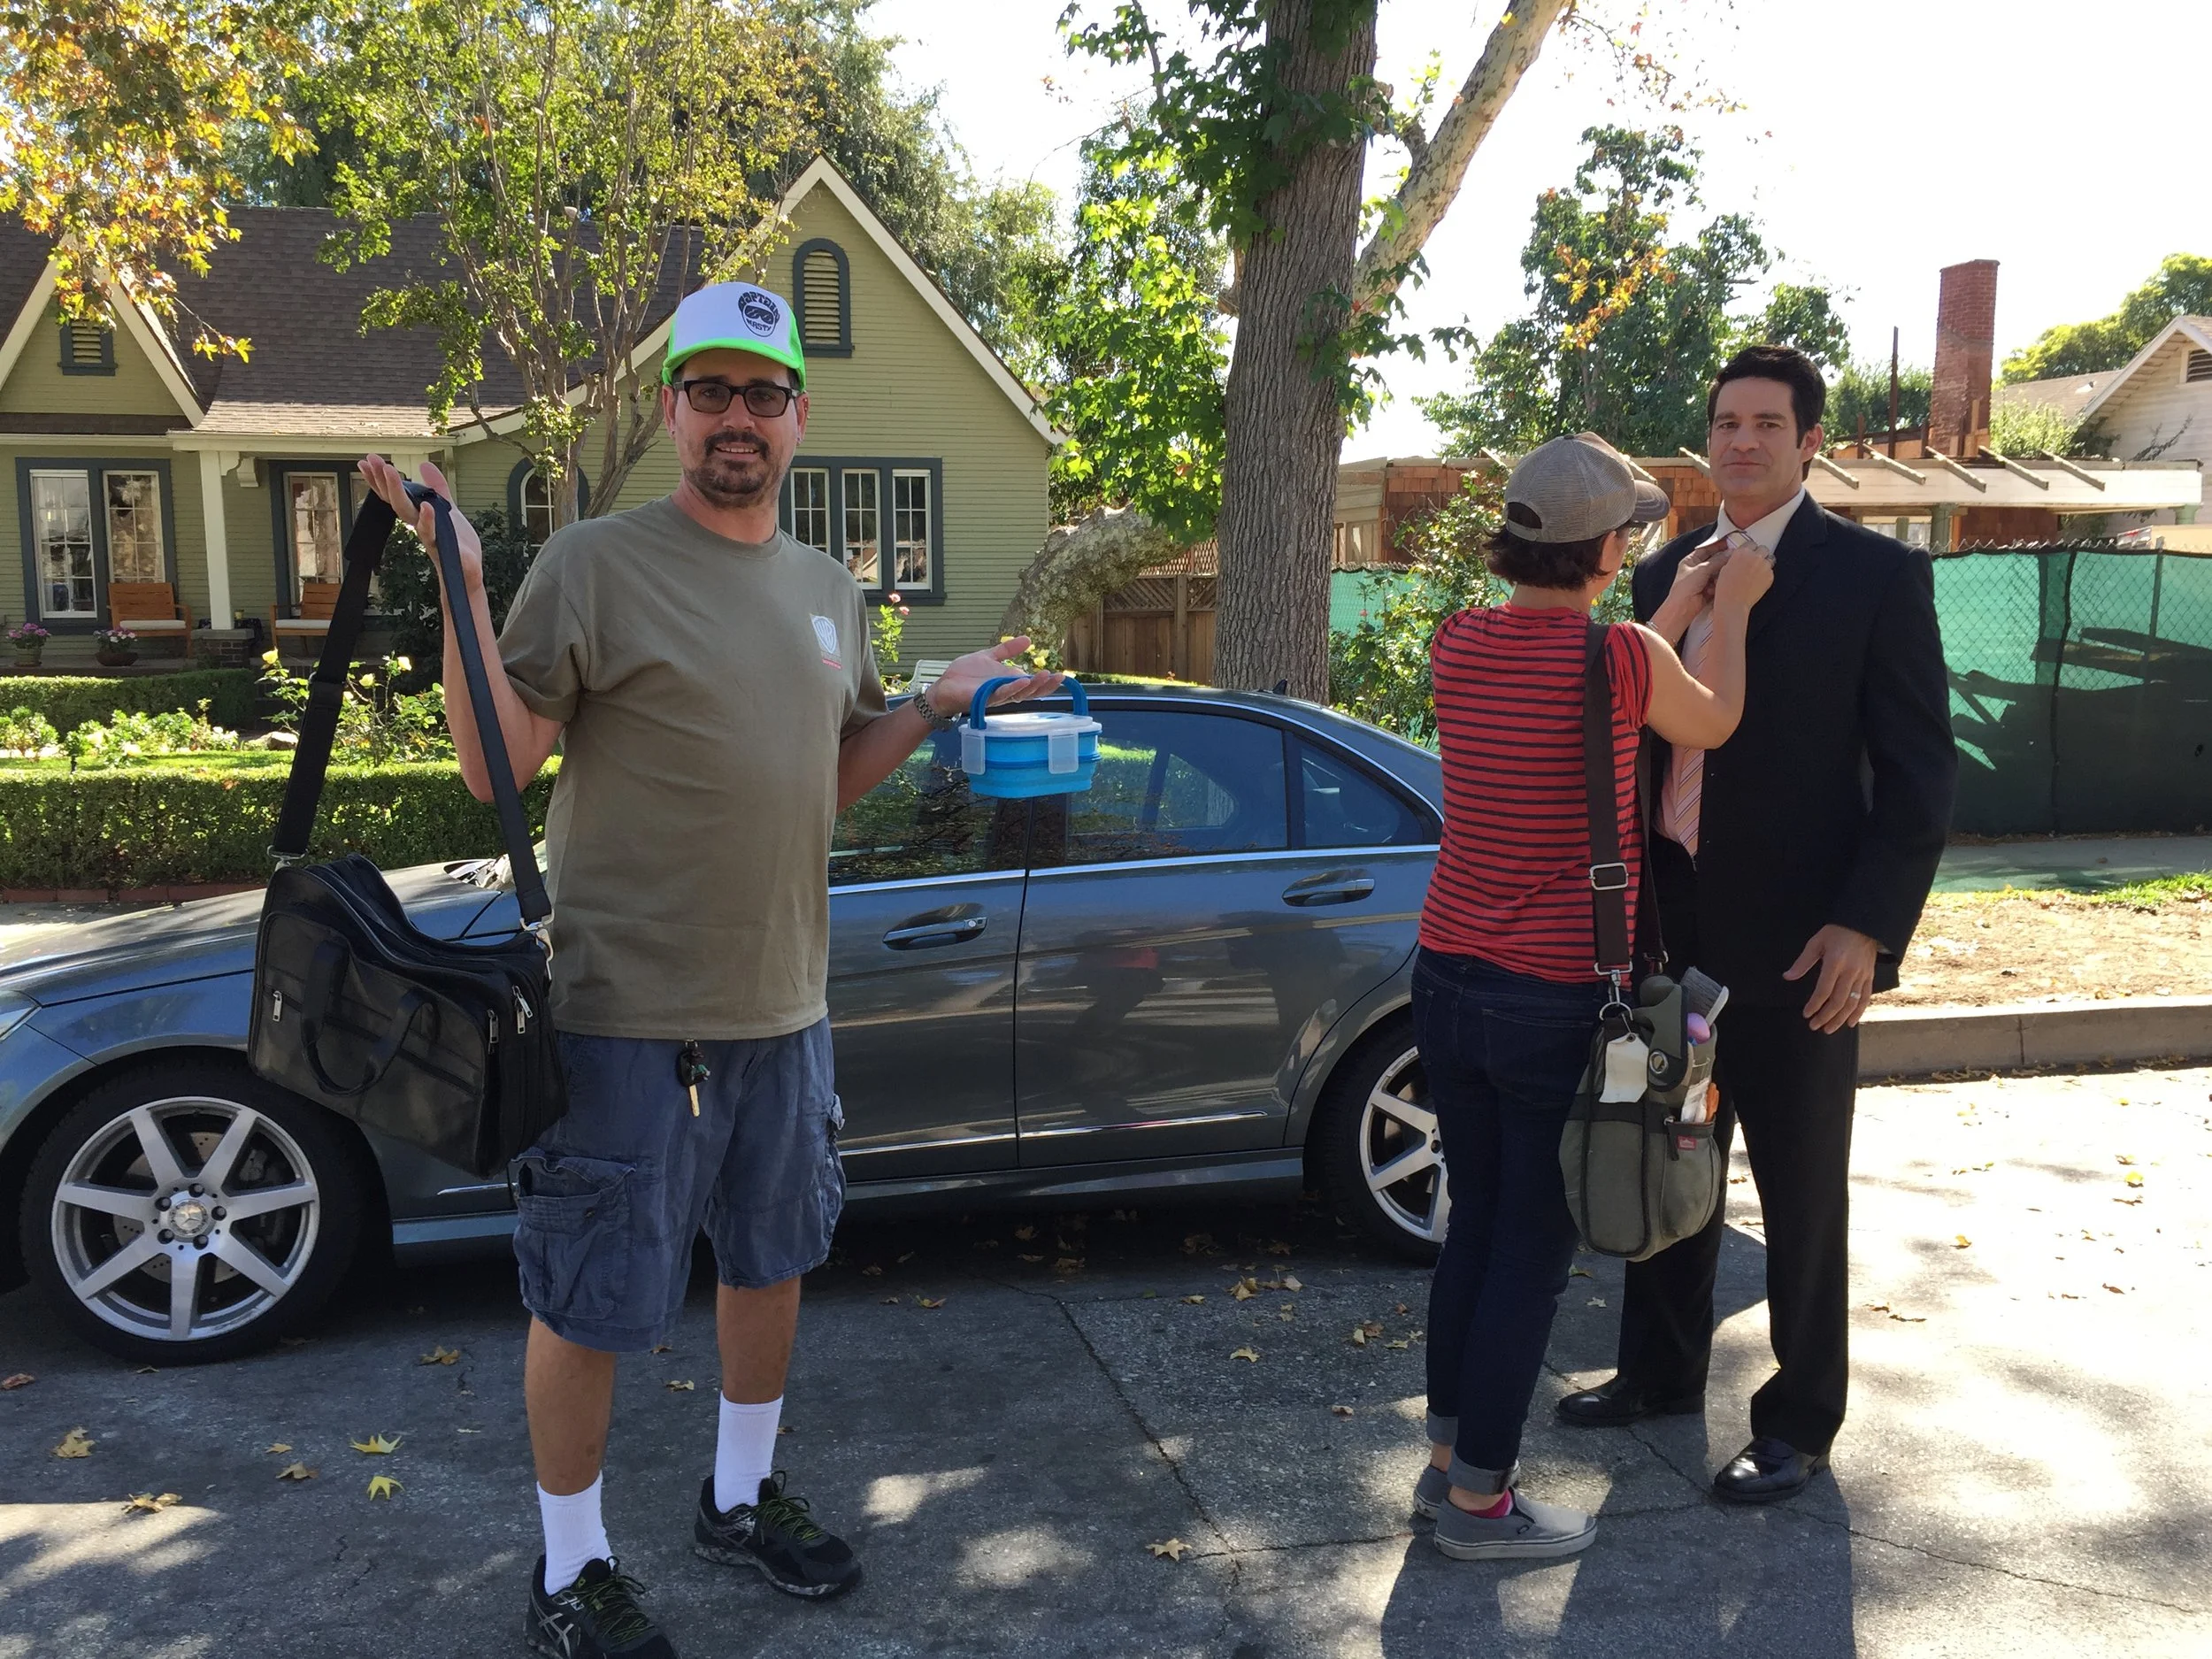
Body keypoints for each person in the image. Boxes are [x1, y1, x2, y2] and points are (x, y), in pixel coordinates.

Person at [359, 279, 1061, 1659]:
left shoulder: (825, 591)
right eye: (710, 391)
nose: (736, 417)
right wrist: (468, 584)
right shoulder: (597, 563)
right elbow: (497, 761)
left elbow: (830, 775)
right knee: (589, 1298)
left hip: (785, 1006)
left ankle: (737, 1496)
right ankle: (571, 1567)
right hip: (625, 1017)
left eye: (763, 393)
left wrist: (931, 696)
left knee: (772, 1259)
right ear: (674, 411)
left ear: (801, 417)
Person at [1557, 345, 1956, 1504]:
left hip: (1800, 948)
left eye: (1765, 424)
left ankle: (1798, 1420)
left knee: (1799, 1185)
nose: (1740, 441)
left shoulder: (1875, 579)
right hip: (1672, 932)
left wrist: (1867, 928)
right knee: (1664, 1150)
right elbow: (1640, 753)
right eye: (1725, 421)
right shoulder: (1664, 576)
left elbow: (1920, 778)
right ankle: (1660, 1369)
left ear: (1808, 440)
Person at [1413, 433, 1771, 1561]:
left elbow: (1596, 682)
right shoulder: (1617, 658)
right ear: (1608, 550)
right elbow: (1709, 718)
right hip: (1549, 996)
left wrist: (1660, 624)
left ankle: (1443, 1465)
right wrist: (1741, 607)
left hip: (1446, 979)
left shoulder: (1459, 642)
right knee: (1531, 1247)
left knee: (1476, 1228)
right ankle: (1481, 1503)